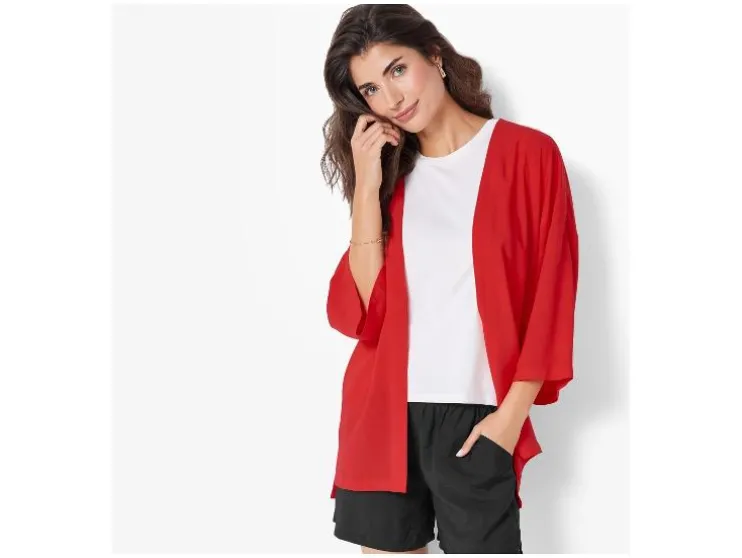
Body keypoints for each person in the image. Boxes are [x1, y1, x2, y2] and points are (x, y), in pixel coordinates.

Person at [320, 4, 579, 554]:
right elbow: (362, 310)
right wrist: (365, 187)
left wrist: (509, 420)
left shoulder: (527, 154)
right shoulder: (391, 174)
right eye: (371, 89)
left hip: (478, 416)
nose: (392, 98)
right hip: (382, 414)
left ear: (434, 55)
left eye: (397, 69)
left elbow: (552, 298)